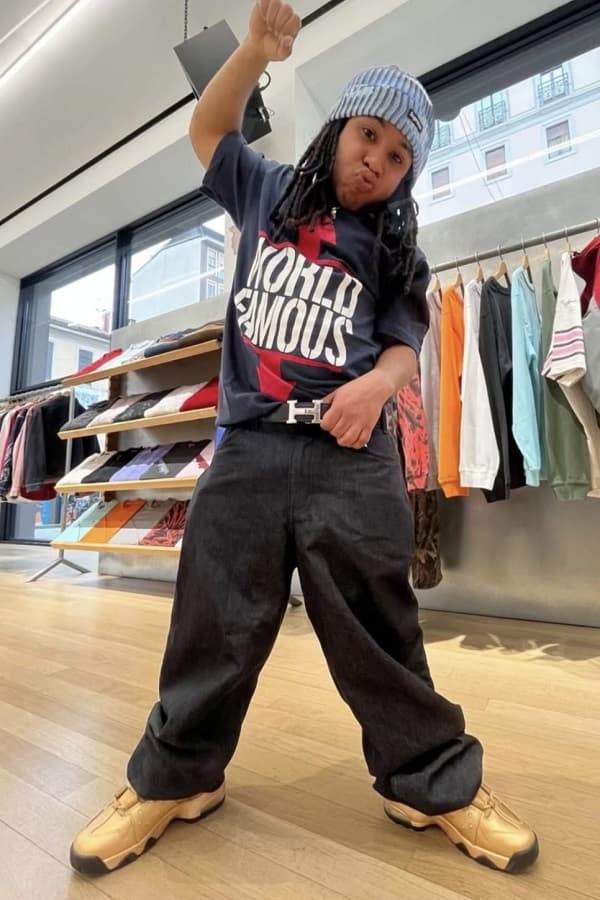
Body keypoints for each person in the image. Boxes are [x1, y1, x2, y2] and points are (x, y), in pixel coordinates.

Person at [70, 0, 539, 878]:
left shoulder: (395, 252)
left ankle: (429, 782)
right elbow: (209, 130)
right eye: (368, 137)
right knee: (212, 619)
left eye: (398, 158)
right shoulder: (269, 189)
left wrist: (378, 386)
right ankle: (177, 777)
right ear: (338, 129)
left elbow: (404, 347)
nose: (376, 162)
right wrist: (254, 51)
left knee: (378, 623)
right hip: (249, 444)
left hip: (351, 455)